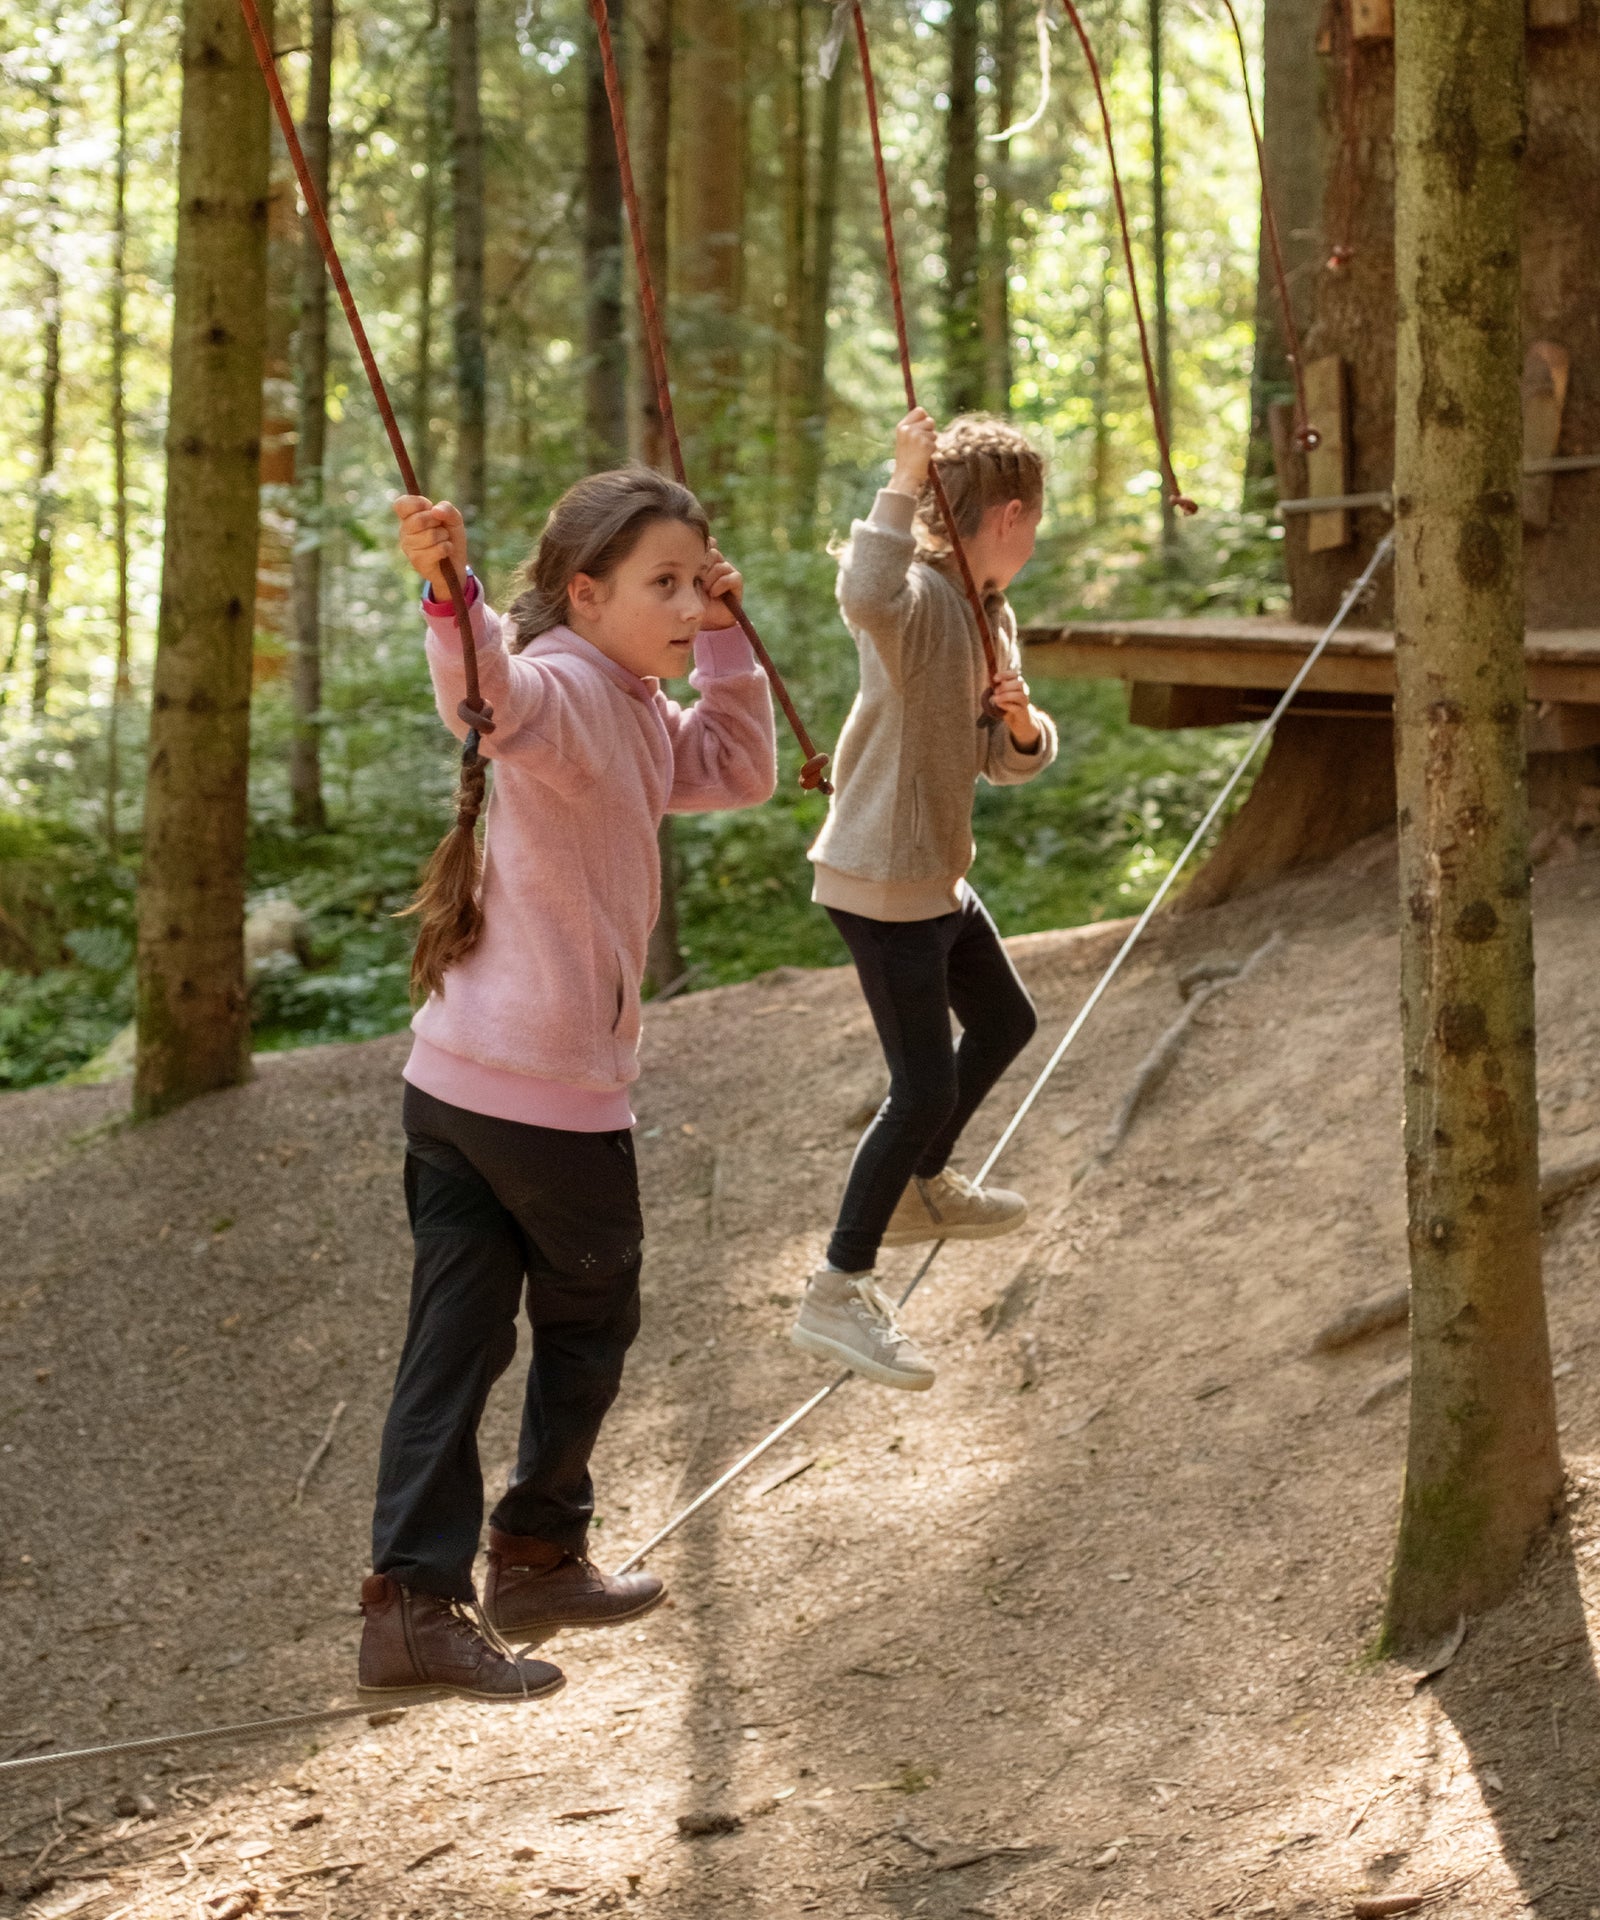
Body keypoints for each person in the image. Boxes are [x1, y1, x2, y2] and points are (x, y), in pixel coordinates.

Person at [358, 469, 776, 1703]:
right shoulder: (569, 698)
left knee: (459, 1336)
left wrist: (734, 635)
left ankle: (412, 1606)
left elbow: (739, 767)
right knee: (590, 1318)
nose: (690, 605)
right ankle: (533, 1554)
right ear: (582, 595)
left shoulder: (634, 705)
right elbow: (491, 694)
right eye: (665, 586)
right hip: (540, 1095)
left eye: (699, 582)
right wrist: (454, 595)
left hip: (452, 1082)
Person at [790, 409, 1058, 1393]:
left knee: (1004, 1020)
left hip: (934, 872)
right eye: (1038, 522)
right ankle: (836, 1286)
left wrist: (1022, 726)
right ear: (1013, 514)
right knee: (923, 1085)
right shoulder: (914, 602)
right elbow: (861, 590)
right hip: (882, 874)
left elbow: (1001, 763)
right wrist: (901, 478)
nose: (1039, 540)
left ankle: (918, 1189)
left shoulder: (991, 615)